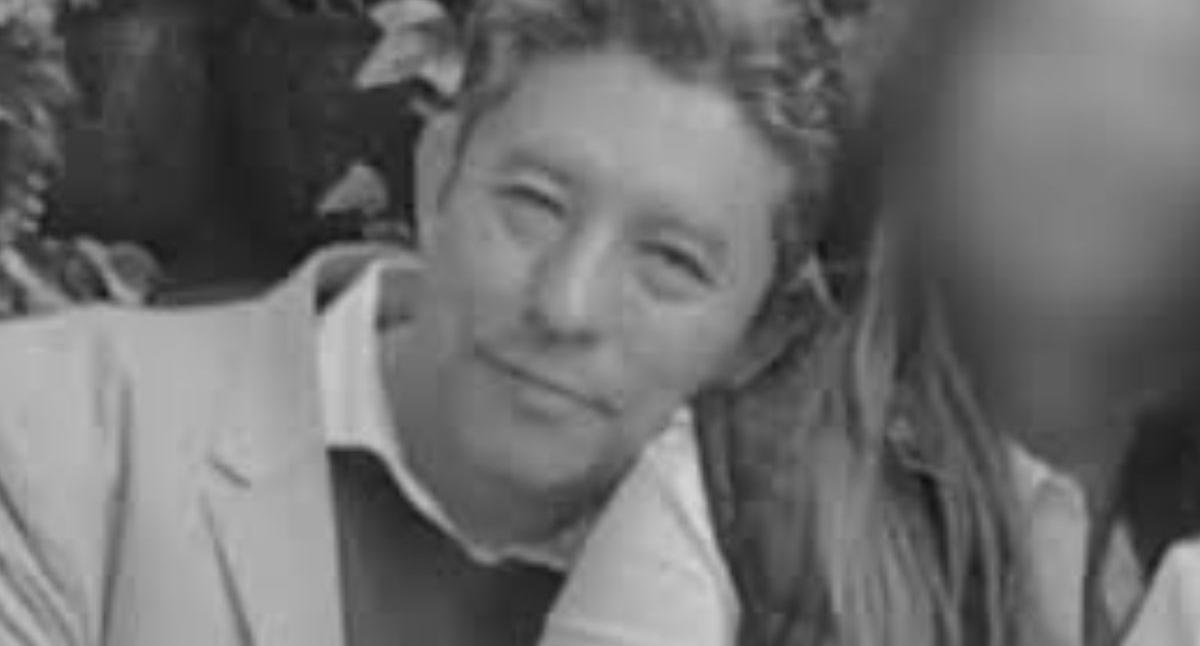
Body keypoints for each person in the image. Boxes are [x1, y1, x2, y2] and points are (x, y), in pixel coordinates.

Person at [0, 0, 858, 644]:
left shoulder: (788, 595)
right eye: (534, 204)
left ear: (762, 334)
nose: (566, 305)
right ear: (437, 175)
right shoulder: (51, 423)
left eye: (670, 261)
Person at [540, 0, 1200, 644]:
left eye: (1180, 75)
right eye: (1054, 44)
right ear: (932, 93)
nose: (1110, 121)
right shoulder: (732, 499)